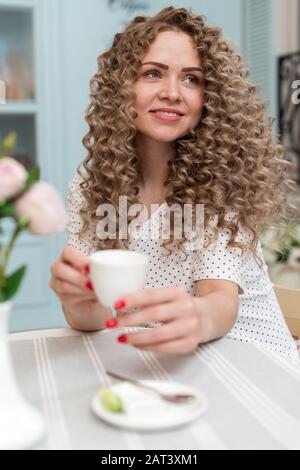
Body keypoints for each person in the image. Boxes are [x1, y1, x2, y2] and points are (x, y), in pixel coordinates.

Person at [49, 6, 299, 360]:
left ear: (211, 98)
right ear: (122, 88)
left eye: (191, 79)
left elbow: (219, 301)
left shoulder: (221, 179)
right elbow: (94, 316)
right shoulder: (91, 184)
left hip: (248, 356)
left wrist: (197, 316)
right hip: (169, 358)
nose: (172, 92)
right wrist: (79, 301)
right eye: (153, 73)